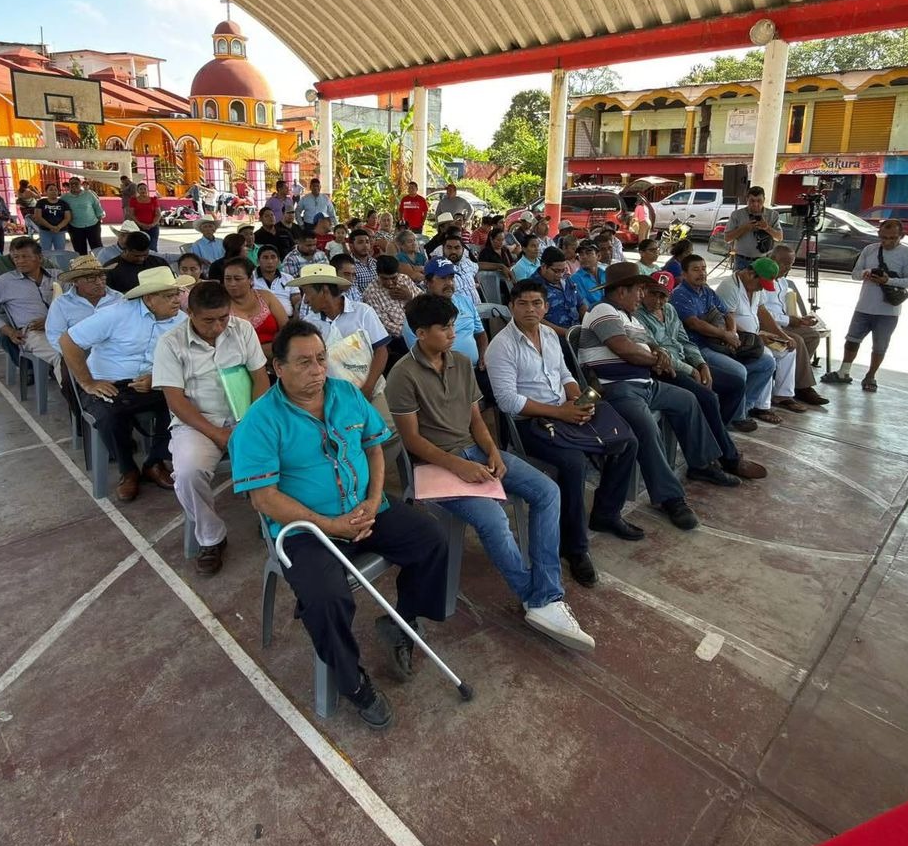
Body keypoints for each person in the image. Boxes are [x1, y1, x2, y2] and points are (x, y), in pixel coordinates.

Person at [233, 321, 451, 730]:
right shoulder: (259, 422)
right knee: (327, 598)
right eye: (303, 363)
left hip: (363, 509)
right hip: (306, 530)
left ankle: (402, 622)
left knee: (432, 539)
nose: (317, 370)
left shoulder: (347, 394)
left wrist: (372, 501)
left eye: (320, 359)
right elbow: (264, 499)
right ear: (277, 368)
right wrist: (330, 524)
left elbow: (374, 448)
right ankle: (353, 683)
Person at [390, 294, 593, 651]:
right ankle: (535, 598)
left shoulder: (461, 362)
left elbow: (476, 419)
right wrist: (460, 466)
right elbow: (412, 440)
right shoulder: (402, 375)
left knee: (548, 492)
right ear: (420, 333)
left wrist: (493, 452)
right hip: (437, 465)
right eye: (444, 328)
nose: (453, 333)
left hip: (476, 452)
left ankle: (544, 594)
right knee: (494, 519)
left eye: (454, 325)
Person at [485, 279, 640, 586]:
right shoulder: (500, 346)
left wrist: (576, 399)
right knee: (572, 463)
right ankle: (575, 547)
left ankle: (606, 513)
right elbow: (507, 401)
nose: (531, 310)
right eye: (524, 304)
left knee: (626, 440)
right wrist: (560, 412)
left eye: (537, 303)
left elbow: (565, 374)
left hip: (564, 412)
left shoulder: (549, 336)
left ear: (546, 306)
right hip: (530, 424)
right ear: (512, 306)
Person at [577, 262, 740, 529]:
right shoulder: (603, 310)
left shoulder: (628, 316)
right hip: (616, 388)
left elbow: (645, 343)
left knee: (689, 400)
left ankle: (701, 464)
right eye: (638, 291)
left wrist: (658, 352)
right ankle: (671, 498)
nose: (642, 296)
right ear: (621, 292)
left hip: (643, 383)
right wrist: (655, 359)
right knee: (646, 426)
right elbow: (624, 349)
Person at [154, 280, 270, 576]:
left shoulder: (242, 329)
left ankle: (274, 516)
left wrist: (247, 424)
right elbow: (175, 400)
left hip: (245, 416)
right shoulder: (170, 342)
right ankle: (211, 538)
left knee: (289, 449)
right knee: (188, 473)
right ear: (190, 313)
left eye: (223, 318)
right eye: (208, 320)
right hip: (197, 422)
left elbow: (260, 379)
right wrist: (217, 434)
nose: (218, 326)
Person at [59, 265, 191, 501]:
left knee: (181, 401)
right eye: (169, 296)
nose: (177, 301)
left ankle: (154, 462)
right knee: (109, 414)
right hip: (109, 382)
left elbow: (186, 359)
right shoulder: (116, 314)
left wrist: (156, 380)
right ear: (149, 299)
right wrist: (88, 382)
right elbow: (68, 341)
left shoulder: (180, 321)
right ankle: (128, 469)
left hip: (154, 383)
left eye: (177, 294)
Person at [637, 274, 766, 481]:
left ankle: (714, 438)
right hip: (665, 369)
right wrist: (690, 370)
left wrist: (701, 364)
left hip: (686, 363)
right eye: (654, 294)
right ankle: (727, 457)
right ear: (643, 292)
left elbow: (684, 341)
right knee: (707, 397)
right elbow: (656, 352)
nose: (658, 301)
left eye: (663, 296)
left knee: (735, 384)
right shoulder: (639, 315)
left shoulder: (669, 310)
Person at [672, 252, 774, 430]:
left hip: (720, 342)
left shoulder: (707, 291)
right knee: (739, 371)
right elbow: (694, 324)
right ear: (685, 274)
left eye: (704, 269)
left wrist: (732, 334)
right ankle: (736, 417)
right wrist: (724, 335)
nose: (701, 273)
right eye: (695, 270)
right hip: (699, 347)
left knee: (767, 362)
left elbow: (728, 314)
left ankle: (746, 407)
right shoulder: (680, 294)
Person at [822, 217, 908, 393]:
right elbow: (855, 273)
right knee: (852, 339)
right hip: (864, 305)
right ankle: (844, 371)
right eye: (883, 237)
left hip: (888, 309)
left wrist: (888, 280)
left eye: (892, 238)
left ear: (901, 236)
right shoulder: (870, 250)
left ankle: (871, 375)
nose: (887, 242)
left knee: (880, 345)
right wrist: (866, 274)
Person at [291, 263, 390, 412]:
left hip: (374, 391)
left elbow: (381, 351)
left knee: (386, 431)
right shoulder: (309, 323)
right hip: (335, 399)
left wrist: (367, 388)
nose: (305, 300)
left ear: (324, 291)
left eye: (307, 293)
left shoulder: (362, 312)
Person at [714, 259, 791, 422]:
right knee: (767, 358)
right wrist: (756, 338)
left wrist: (782, 335)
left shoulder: (756, 288)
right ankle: (759, 407)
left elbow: (762, 312)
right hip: (736, 341)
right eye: (760, 284)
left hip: (753, 338)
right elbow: (727, 321)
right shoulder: (730, 287)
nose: (761, 288)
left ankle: (755, 404)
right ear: (750, 274)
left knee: (788, 350)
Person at [765, 245, 829, 407]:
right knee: (797, 341)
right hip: (767, 325)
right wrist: (789, 320)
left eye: (790, 264)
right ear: (772, 260)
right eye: (784, 263)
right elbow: (762, 313)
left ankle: (795, 379)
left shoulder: (783, 282)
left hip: (784, 322)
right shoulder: (762, 280)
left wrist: (801, 320)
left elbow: (784, 309)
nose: (787, 268)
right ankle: (804, 387)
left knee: (812, 335)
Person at [0, 237, 58, 367]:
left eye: (25, 257)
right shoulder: (4, 282)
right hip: (34, 331)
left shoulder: (58, 276)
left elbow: (76, 302)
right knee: (62, 353)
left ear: (39, 258)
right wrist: (9, 331)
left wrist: (52, 320)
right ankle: (74, 385)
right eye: (16, 257)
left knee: (94, 347)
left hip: (64, 326)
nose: (20, 261)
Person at [400, 259, 488, 373]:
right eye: (443, 278)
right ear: (427, 282)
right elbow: (422, 359)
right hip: (445, 377)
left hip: (478, 369)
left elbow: (480, 334)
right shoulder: (417, 315)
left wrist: (483, 356)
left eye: (451, 277)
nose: (449, 283)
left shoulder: (465, 301)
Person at [44, 255, 118, 360]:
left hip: (117, 354)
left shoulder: (119, 299)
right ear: (76, 281)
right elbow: (55, 336)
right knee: (65, 365)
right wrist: (74, 354)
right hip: (81, 355)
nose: (99, 282)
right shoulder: (61, 304)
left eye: (102, 276)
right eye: (91, 278)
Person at [221, 255, 288, 348]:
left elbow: (286, 328)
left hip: (276, 351)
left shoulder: (266, 297)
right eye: (228, 279)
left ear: (251, 279)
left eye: (238, 279)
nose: (232, 284)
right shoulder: (220, 304)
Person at [362, 255, 420, 341]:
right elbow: (384, 324)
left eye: (393, 278)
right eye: (384, 279)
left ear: (398, 273)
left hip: (420, 326)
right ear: (378, 275)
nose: (390, 283)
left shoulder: (405, 279)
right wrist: (410, 333)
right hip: (398, 337)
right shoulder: (371, 292)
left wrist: (410, 296)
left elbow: (425, 303)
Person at [727, 186, 782, 270]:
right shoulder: (737, 215)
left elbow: (779, 237)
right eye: (752, 201)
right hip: (742, 260)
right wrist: (744, 228)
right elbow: (727, 238)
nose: (755, 204)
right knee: (740, 283)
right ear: (747, 200)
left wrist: (766, 227)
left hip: (763, 260)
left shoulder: (773, 215)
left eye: (759, 201)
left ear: (764, 200)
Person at [103, 230, 168, 294]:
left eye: (145, 255)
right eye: (136, 256)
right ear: (126, 250)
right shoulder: (111, 269)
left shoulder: (160, 263)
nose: (141, 259)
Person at [537, 247, 585, 330]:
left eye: (562, 270)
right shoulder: (533, 286)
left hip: (579, 330)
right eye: (556, 271)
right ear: (543, 266)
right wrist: (566, 333)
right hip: (554, 337)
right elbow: (537, 319)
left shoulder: (566, 278)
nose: (559, 275)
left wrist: (589, 323)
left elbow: (580, 304)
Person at [61, 175, 106, 254]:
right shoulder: (64, 198)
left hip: (93, 225)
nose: (74, 185)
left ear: (80, 184)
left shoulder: (89, 194)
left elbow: (97, 205)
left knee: (97, 248)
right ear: (69, 185)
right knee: (79, 250)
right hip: (75, 227)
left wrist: (99, 219)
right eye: (71, 184)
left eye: (76, 183)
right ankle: (83, 265)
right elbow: (61, 211)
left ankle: (100, 264)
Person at [32, 182, 71, 252]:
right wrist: (51, 227)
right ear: (46, 192)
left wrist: (58, 227)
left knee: (60, 252)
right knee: (45, 252)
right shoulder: (41, 202)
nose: (53, 191)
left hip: (59, 232)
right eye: (51, 189)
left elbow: (67, 218)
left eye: (55, 190)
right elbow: (38, 217)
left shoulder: (63, 203)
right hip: (45, 231)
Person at [570, 239, 607, 308]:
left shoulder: (606, 273)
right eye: (581, 254)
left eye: (588, 253)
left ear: (598, 256)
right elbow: (585, 308)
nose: (584, 257)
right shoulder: (575, 279)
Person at [128, 182, 161, 250]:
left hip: (153, 227)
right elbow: (131, 214)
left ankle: (153, 260)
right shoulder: (133, 200)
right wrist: (140, 224)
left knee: (152, 246)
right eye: (141, 189)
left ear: (147, 190)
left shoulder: (153, 200)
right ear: (137, 190)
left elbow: (158, 214)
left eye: (144, 189)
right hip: (138, 227)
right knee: (140, 247)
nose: (143, 190)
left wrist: (152, 224)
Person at [347, 227, 379, 291]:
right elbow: (354, 294)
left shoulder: (375, 263)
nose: (365, 245)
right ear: (351, 246)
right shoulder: (349, 266)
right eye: (360, 242)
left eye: (367, 242)